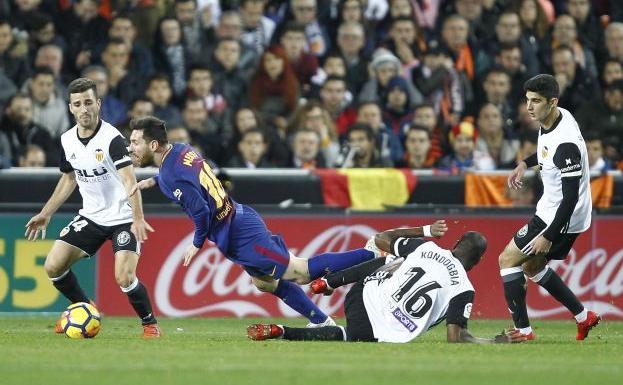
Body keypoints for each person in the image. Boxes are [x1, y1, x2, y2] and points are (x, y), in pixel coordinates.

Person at [128, 116, 376, 326]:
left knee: (300, 271)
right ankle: (322, 321)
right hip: (236, 221)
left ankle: (371, 256)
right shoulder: (181, 150)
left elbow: (201, 211)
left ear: (153, 144)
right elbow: (192, 179)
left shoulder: (172, 175)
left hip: (239, 233)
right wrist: (153, 181)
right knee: (265, 283)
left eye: (135, 142)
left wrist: (196, 242)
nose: (131, 147)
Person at [24, 78, 161, 338]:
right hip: (91, 217)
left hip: (122, 217)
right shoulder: (67, 140)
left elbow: (130, 180)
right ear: (71, 108)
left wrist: (138, 218)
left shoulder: (112, 139)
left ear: (98, 104)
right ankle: (85, 310)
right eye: (78, 104)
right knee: (53, 266)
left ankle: (150, 324)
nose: (84, 109)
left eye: (88, 102)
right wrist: (46, 213)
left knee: (123, 276)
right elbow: (69, 177)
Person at [247, 223, 524, 344]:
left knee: (390, 259)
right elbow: (457, 337)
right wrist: (495, 341)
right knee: (391, 262)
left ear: (455, 244)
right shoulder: (464, 288)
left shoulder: (427, 249)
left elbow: (381, 238)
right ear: (477, 263)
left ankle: (329, 284)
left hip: (361, 300)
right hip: (393, 333)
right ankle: (288, 325)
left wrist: (423, 232)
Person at [501, 74, 600, 341]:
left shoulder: (566, 143)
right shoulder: (556, 117)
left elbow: (570, 198)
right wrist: (524, 162)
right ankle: (583, 317)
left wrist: (548, 234)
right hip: (561, 211)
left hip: (558, 215)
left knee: (507, 260)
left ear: (552, 101)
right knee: (532, 266)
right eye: (527, 100)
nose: (529, 107)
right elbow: (547, 152)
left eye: (536, 101)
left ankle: (523, 332)